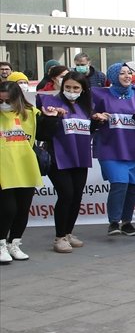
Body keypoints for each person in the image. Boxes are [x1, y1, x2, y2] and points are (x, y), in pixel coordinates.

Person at [92, 62, 135, 236]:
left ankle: (127, 222)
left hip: (134, 149)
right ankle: (114, 222)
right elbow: (91, 118)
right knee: (119, 184)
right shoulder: (101, 95)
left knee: (132, 187)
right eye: (122, 73)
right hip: (110, 149)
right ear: (112, 77)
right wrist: (97, 118)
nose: (127, 76)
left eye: (129, 73)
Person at [36, 73, 94, 253]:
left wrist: (98, 121)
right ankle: (59, 237)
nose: (71, 91)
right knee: (66, 195)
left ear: (82, 89)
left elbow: (90, 130)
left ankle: (68, 233)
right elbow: (42, 134)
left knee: (77, 196)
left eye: (76, 88)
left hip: (80, 157)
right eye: (68, 87)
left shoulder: (87, 106)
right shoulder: (50, 102)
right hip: (58, 157)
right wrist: (52, 117)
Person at [0, 82, 41, 263]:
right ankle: (1, 244)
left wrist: (55, 116)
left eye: (8, 100)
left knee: (23, 209)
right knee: (8, 209)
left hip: (25, 166)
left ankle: (14, 243)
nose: (4, 103)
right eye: (1, 100)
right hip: (3, 169)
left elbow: (46, 132)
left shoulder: (30, 113)